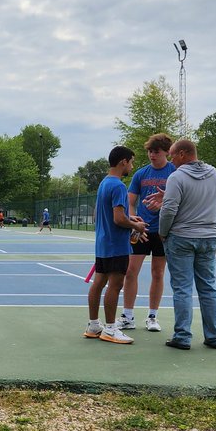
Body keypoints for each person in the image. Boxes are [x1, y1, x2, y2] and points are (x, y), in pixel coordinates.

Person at [149, 138, 216, 350]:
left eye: (173, 155)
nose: (171, 160)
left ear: (183, 154)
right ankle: (215, 336)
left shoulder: (177, 177)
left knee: (182, 289)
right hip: (209, 236)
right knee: (208, 288)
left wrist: (163, 233)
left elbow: (170, 210)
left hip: (181, 237)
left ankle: (182, 336)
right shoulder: (214, 174)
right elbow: (202, 201)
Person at [84, 147, 147, 344]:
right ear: (123, 162)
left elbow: (108, 215)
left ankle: (94, 325)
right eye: (131, 162)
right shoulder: (119, 186)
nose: (132, 166)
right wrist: (136, 225)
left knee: (99, 283)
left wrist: (130, 217)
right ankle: (111, 329)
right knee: (115, 285)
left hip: (103, 244)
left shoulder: (104, 183)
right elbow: (118, 219)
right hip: (116, 245)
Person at [118, 133, 174, 332]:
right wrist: (135, 222)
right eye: (150, 151)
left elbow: (182, 201)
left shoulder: (175, 172)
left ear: (167, 152)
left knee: (157, 273)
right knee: (131, 272)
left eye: (156, 152)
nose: (152, 155)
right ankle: (128, 316)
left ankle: (152, 317)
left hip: (164, 231)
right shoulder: (141, 174)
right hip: (141, 230)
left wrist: (164, 207)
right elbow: (130, 203)